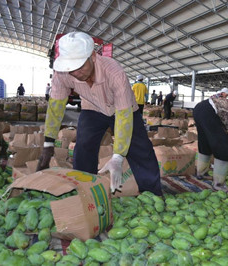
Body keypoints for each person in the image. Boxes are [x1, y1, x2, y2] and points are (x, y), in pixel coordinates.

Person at [36, 32, 162, 196]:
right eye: (70, 68)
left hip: (122, 109)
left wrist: (117, 157)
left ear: (93, 56)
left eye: (80, 66)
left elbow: (123, 117)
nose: (76, 72)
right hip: (92, 108)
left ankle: (152, 193)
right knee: (83, 147)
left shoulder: (114, 72)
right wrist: (48, 144)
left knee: (140, 149)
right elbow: (56, 106)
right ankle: (84, 190)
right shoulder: (62, 73)